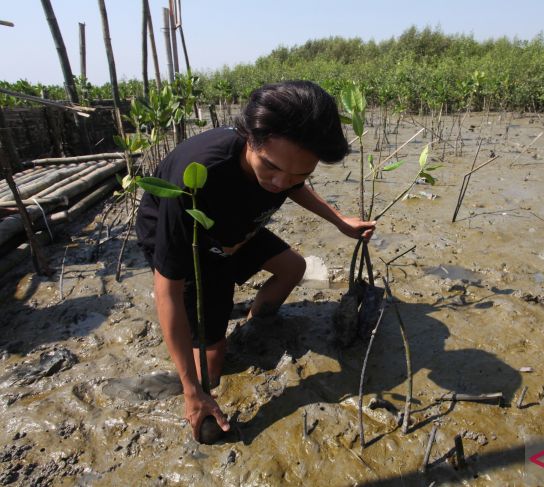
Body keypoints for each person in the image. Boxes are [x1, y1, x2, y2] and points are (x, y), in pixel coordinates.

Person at [135, 80, 376, 440]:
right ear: (249, 136)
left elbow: (292, 184)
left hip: (239, 225)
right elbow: (166, 289)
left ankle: (253, 325)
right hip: (195, 239)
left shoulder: (285, 168)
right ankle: (201, 370)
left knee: (293, 268)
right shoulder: (200, 174)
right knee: (213, 367)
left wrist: (340, 221)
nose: (280, 183)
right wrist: (191, 389)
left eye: (299, 174)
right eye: (271, 167)